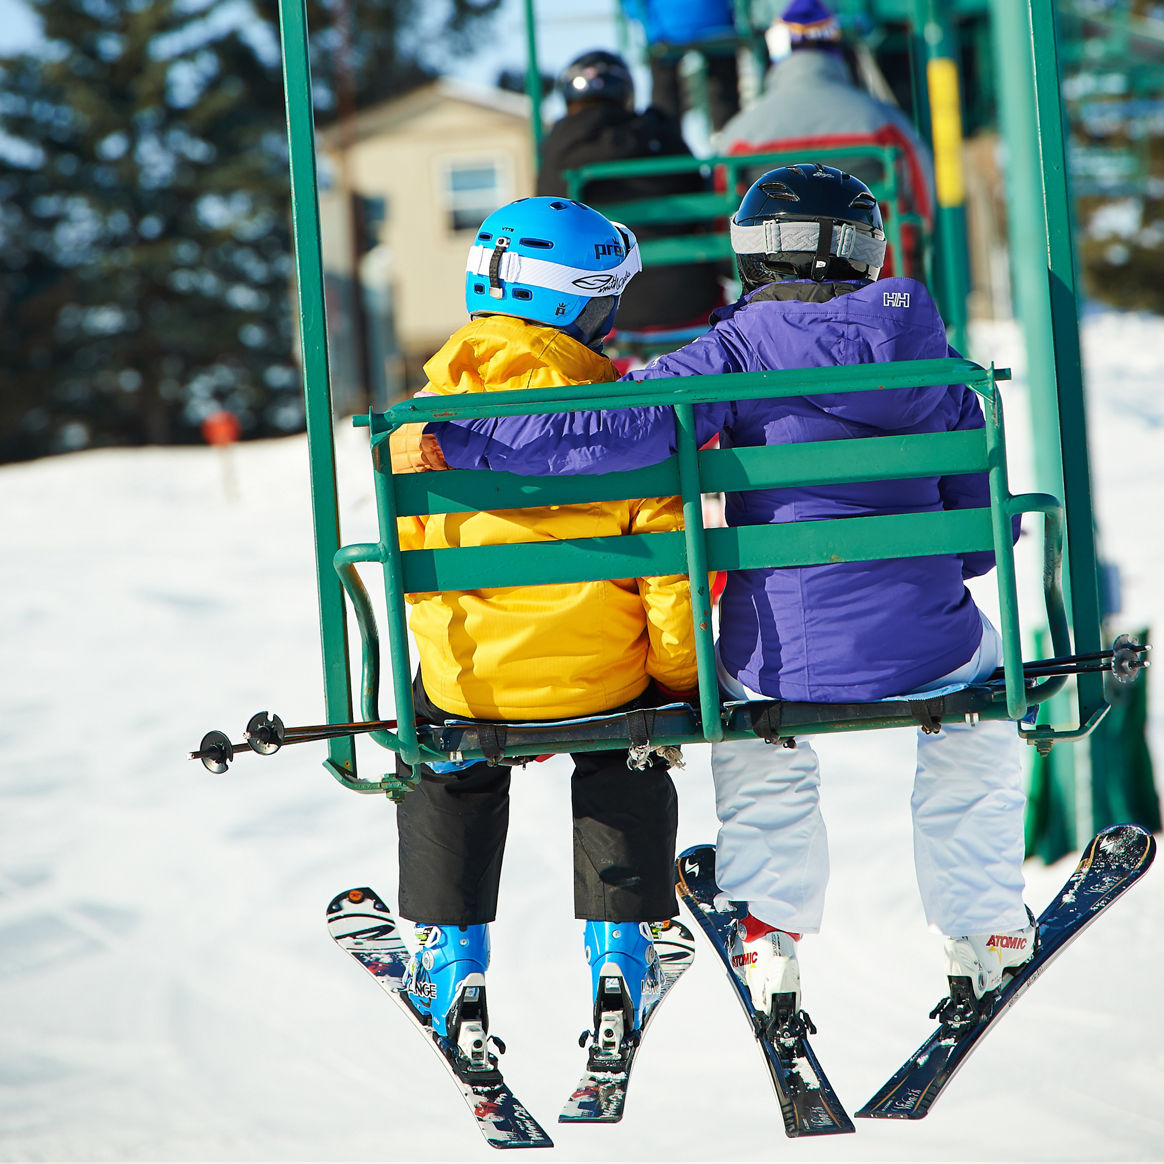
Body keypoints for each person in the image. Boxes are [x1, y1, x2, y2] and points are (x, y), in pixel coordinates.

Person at [417, 164, 1036, 1034]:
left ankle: (768, 924)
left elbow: (605, 433)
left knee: (757, 737)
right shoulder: (945, 367)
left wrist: (460, 432)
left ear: (750, 255)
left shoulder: (729, 357)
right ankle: (983, 923)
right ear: (867, 253)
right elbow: (978, 544)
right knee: (984, 705)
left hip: (774, 658)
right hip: (928, 647)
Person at [387, 195, 699, 1061]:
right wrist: (676, 684)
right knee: (626, 743)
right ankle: (621, 947)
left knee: (445, 749)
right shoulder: (629, 426)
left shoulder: (417, 428)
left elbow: (415, 577)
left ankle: (451, 956)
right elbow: (672, 577)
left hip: (469, 682)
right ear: (576, 305)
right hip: (602, 678)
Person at [719, 0, 935, 277]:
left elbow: (720, 215)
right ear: (837, 48)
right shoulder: (884, 121)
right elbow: (920, 203)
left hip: (777, 283)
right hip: (879, 276)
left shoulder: (740, 134)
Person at [538, 49, 724, 340]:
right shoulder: (661, 135)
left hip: (604, 313)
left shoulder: (557, 152)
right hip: (690, 300)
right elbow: (702, 198)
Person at [619, 0, 742, 130]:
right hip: (717, 23)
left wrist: (646, 22)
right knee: (723, 90)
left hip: (667, 29)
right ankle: (729, 138)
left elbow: (631, 5)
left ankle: (665, 139)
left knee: (665, 94)